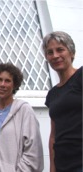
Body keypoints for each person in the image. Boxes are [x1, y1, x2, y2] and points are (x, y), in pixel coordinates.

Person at [0, 63, 44, 172]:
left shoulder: (24, 111)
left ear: (15, 85)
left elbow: (33, 154)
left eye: (7, 81)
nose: (2, 84)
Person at [42, 31, 82, 172]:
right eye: (50, 52)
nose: (55, 56)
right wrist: (52, 168)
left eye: (60, 50)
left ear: (72, 53)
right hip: (62, 165)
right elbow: (53, 135)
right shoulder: (52, 94)